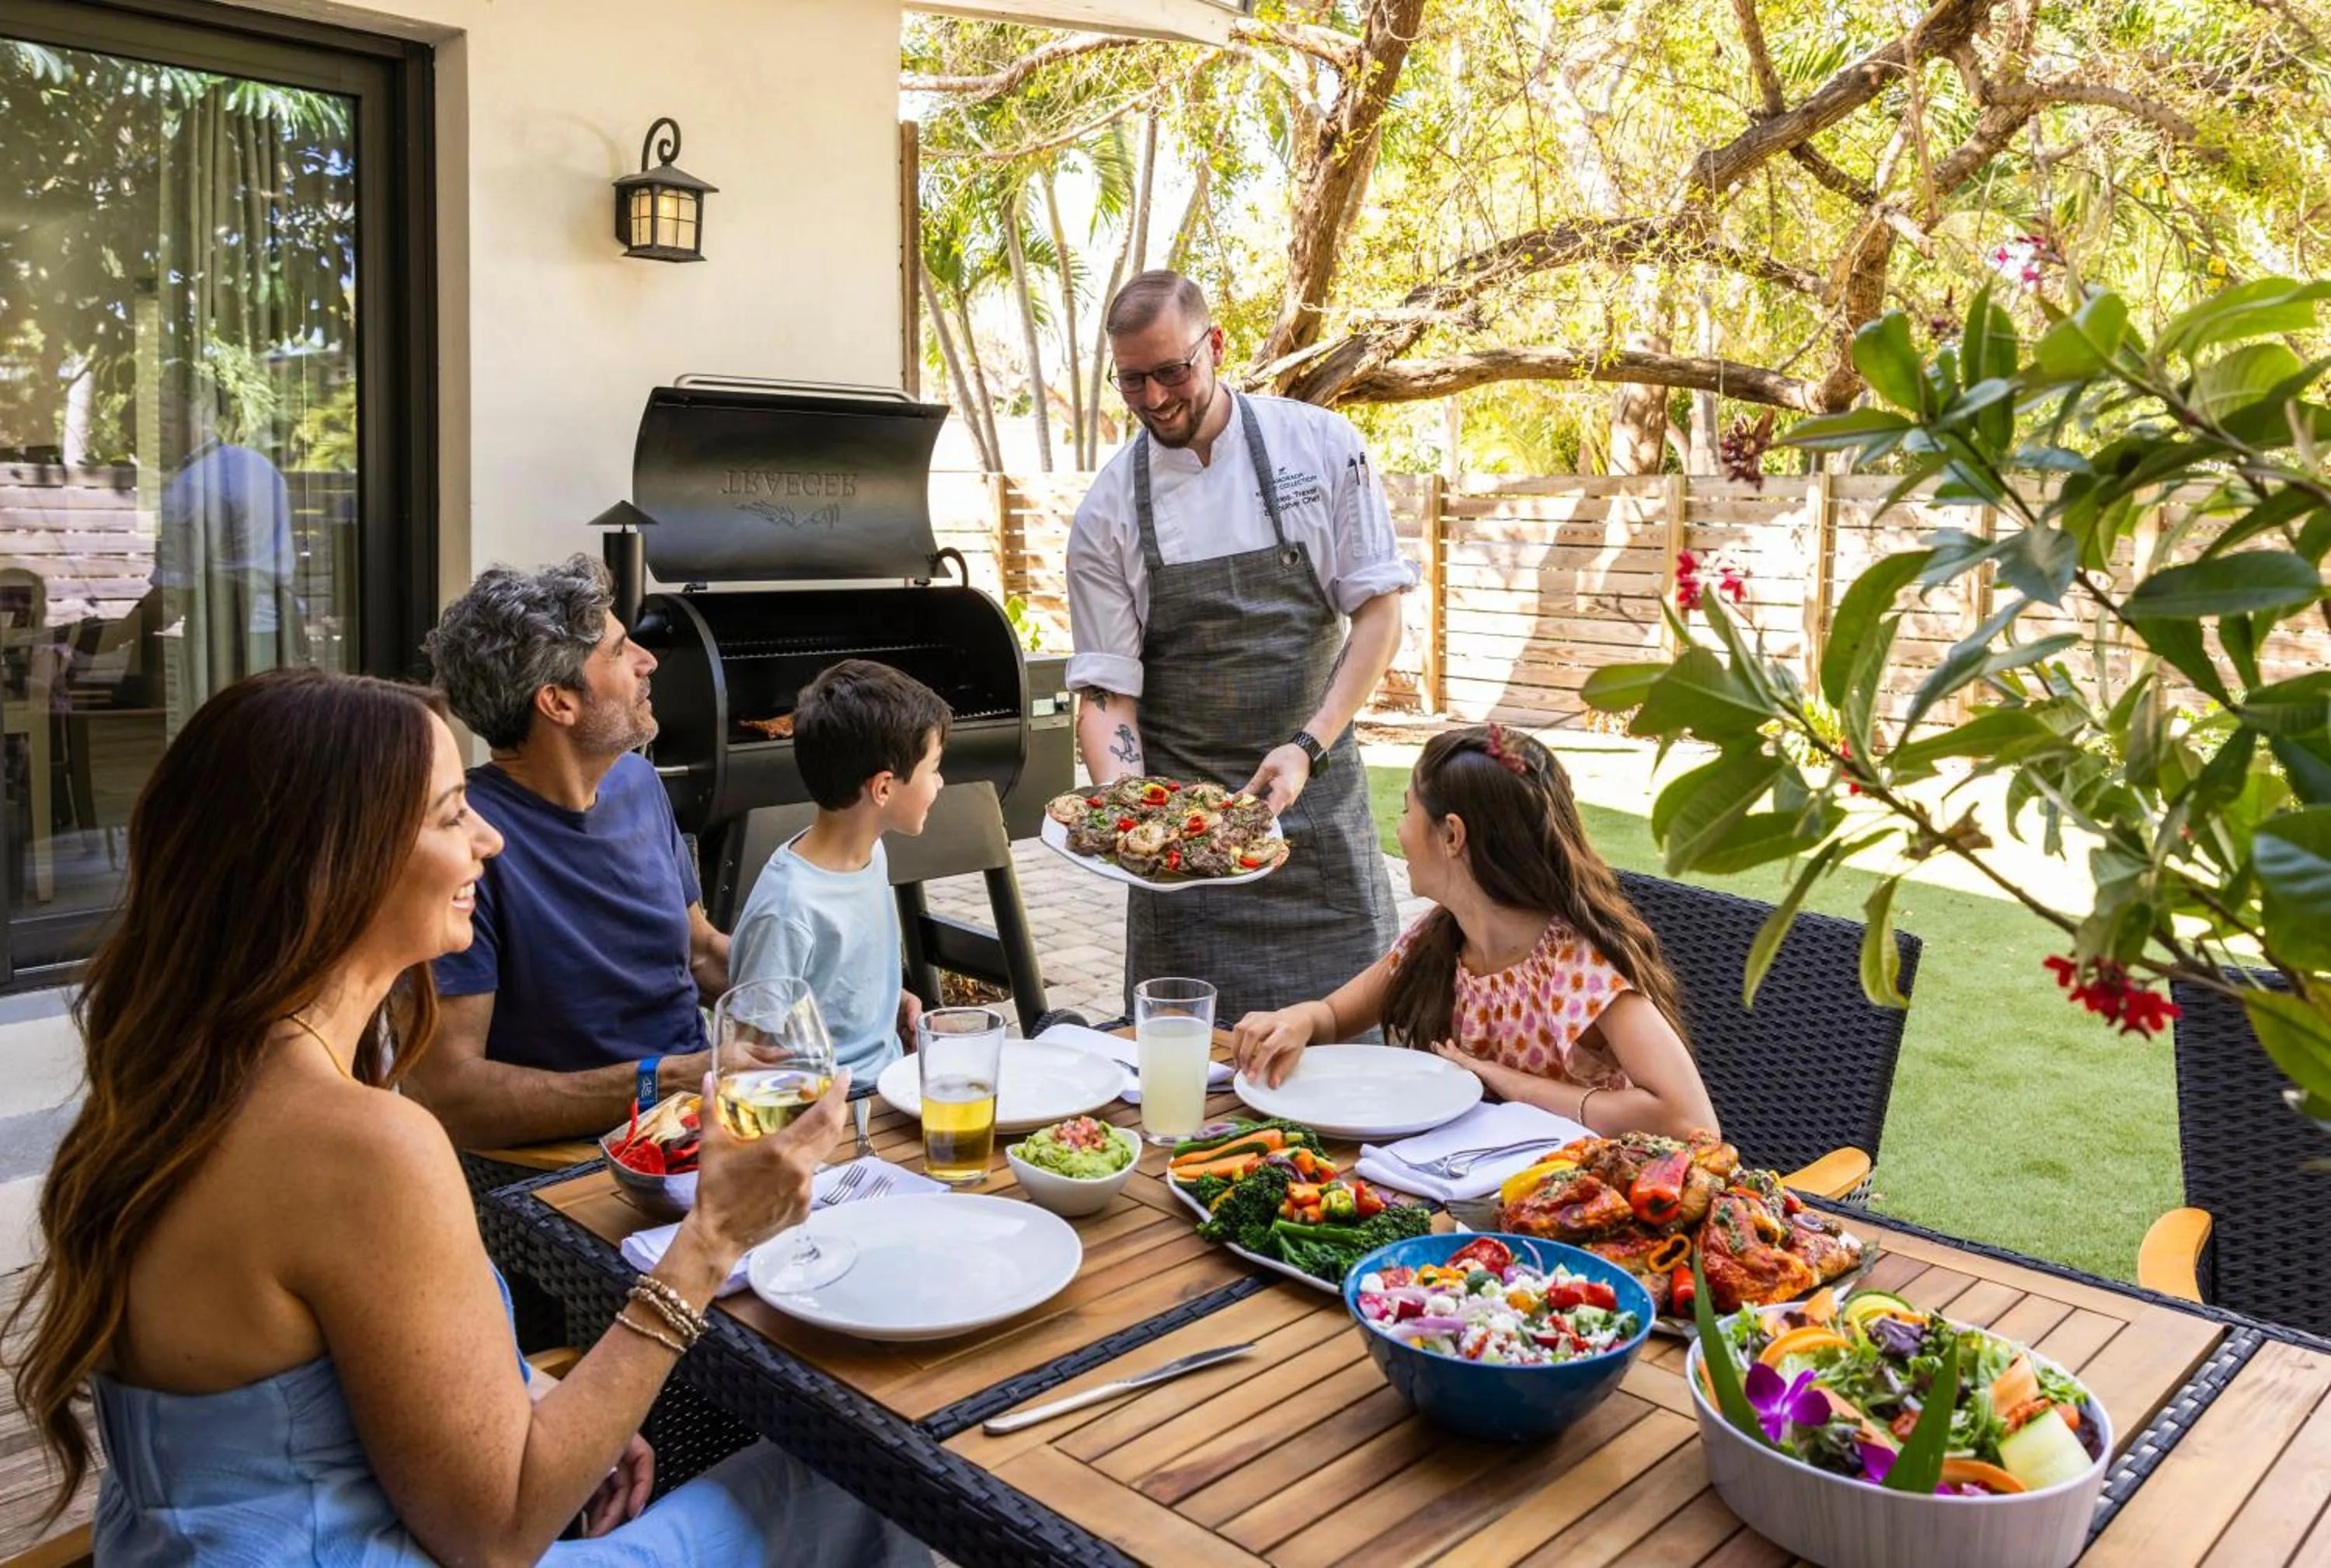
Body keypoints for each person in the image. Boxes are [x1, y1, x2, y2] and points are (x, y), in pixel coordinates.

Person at [5, 667, 928, 1566]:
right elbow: (497, 1534)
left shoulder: (172, 1087)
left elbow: (317, 1389)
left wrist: (533, 1392)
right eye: (452, 813)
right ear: (336, 866)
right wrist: (711, 1239)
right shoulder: (361, 1144)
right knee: (866, 1476)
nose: (489, 838)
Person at [1066, 270, 1417, 1023]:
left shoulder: (1320, 446)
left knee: (1351, 1059)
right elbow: (1106, 690)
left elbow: (1380, 617)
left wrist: (1307, 746)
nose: (1155, 398)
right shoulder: (1106, 513)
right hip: (1183, 869)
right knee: (1189, 1071)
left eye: (1172, 371)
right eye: (1131, 381)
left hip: (1320, 830)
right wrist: (1130, 817)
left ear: (1216, 345)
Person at [1231, 723, 1719, 1140]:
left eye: (1407, 810)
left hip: (1572, 1198)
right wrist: (1298, 1021)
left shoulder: (1575, 967)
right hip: (1467, 1179)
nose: (1398, 830)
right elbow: (1336, 1015)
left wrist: (1507, 1082)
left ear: (1452, 835)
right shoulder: (1442, 938)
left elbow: (1689, 1121)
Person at [409, 556, 728, 1148]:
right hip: (577, 1164)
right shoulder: (463, 844)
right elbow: (452, 1096)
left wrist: (834, 994)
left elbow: (701, 953)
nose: (648, 661)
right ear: (558, 703)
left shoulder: (638, 782)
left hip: (701, 1123)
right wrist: (664, 1081)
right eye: (619, 651)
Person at [730, 660, 948, 1080]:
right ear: (883, 788)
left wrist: (889, 999)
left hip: (890, 1078)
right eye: (934, 769)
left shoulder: (871, 853)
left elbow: (836, 981)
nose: (939, 783)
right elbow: (748, 1054)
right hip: (831, 1105)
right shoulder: (788, 908)